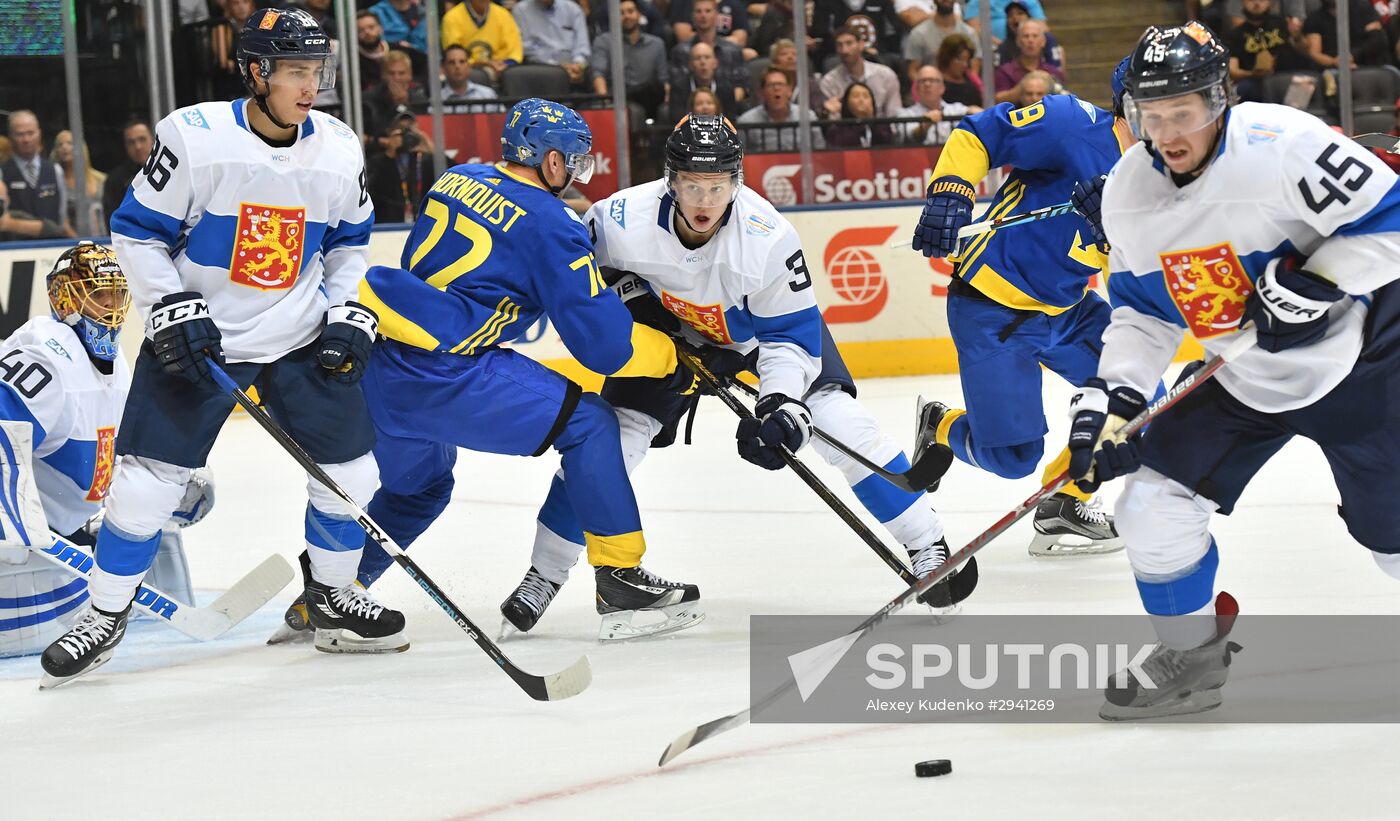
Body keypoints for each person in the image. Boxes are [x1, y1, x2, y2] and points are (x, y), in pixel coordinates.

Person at [40, 8, 401, 689]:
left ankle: (329, 592)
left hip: (298, 334)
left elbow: (351, 239)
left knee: (352, 476)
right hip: (201, 338)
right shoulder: (196, 137)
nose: (309, 86)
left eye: (316, 71)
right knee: (145, 488)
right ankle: (105, 614)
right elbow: (136, 230)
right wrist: (170, 305)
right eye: (295, 72)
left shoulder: (338, 145)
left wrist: (348, 307)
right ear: (257, 71)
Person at [502, 116, 967, 638]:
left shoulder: (767, 238)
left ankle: (927, 544)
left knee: (840, 426)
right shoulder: (619, 218)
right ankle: (542, 575)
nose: (704, 201)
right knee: (609, 442)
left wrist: (781, 406)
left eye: (717, 187)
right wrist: (640, 310)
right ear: (670, 181)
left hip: (755, 340)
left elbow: (789, 339)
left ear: (737, 182)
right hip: (669, 343)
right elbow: (583, 273)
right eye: (692, 186)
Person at [273, 99, 709, 645]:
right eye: (572, 160)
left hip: (379, 365)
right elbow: (603, 347)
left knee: (419, 490)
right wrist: (673, 359)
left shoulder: (457, 177)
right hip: (445, 375)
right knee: (591, 425)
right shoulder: (553, 225)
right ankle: (619, 575)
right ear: (551, 162)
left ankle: (332, 592)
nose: (575, 172)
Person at [1067, 22, 1400, 720]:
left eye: (1182, 112)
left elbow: (1392, 217)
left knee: (1395, 548)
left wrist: (1321, 278)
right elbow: (1142, 315)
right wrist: (1116, 396)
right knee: (1149, 508)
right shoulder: (1127, 193)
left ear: (1219, 100)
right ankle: (1191, 659)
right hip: (1246, 375)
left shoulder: (1283, 146)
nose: (1167, 132)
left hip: (1368, 360)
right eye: (1150, 117)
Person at [908, 57, 1140, 558]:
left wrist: (1121, 233)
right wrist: (951, 192)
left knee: (1141, 405)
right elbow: (978, 134)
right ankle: (942, 426)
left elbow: (1146, 283)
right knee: (1013, 459)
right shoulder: (1070, 123)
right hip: (991, 312)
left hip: (1071, 311)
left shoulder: (1172, 175)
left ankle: (1066, 500)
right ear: (1132, 103)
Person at [0, 243, 209, 660]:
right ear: (66, 298)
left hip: (63, 527)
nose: (111, 305)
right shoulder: (43, 351)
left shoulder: (115, 361)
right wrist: (11, 519)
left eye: (117, 292)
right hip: (19, 545)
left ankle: (103, 575)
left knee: (154, 516)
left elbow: (108, 452)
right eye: (99, 293)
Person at [589, 0, 669, 121]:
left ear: (639, 14)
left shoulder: (656, 44)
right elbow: (598, 74)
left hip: (649, 97)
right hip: (619, 97)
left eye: (630, 11)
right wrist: (605, 102)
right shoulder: (603, 41)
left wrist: (667, 100)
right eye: (621, 12)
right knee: (634, 110)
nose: (627, 16)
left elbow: (664, 80)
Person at [2, 110, 72, 238]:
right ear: (11, 137)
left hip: (51, 247)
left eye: (31, 133)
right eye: (20, 134)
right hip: (13, 251)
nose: (26, 139)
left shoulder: (55, 170)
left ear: (39, 134)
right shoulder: (2, 172)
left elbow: (62, 219)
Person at [1226, 0, 1311, 103]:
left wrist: (1297, 36)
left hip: (1289, 78)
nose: (1256, 3)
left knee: (1308, 80)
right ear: (1243, 2)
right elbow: (1233, 71)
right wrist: (1253, 74)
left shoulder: (1283, 24)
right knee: (1244, 89)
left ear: (1270, 2)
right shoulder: (1235, 35)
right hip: (1256, 83)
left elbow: (1305, 52)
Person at [364, 113, 438, 223]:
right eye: (400, 131)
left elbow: (446, 172)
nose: (405, 138)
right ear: (390, 134)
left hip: (423, 220)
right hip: (388, 222)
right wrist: (390, 154)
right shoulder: (377, 161)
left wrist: (427, 144)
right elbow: (370, 189)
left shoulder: (422, 158)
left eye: (409, 131)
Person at [819, 26, 902, 118]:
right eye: (839, 45)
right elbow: (833, 121)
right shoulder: (829, 81)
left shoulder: (886, 75)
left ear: (861, 45)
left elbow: (894, 114)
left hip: (880, 128)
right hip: (846, 129)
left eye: (849, 43)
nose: (844, 50)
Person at [737, 68, 827, 151]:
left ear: (790, 90)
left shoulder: (807, 116)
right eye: (771, 85)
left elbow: (820, 151)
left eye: (781, 84)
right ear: (762, 92)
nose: (776, 88)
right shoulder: (746, 121)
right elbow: (738, 158)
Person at [441, 0, 524, 85]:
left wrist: (504, 64)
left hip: (501, 68)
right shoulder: (452, 18)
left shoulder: (504, 15)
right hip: (470, 69)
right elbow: (454, 56)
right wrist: (484, 63)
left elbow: (515, 51)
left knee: (515, 75)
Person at [513, 0, 591, 87]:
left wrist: (577, 65)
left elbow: (582, 47)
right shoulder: (521, 10)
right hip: (541, 69)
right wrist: (560, 68)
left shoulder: (572, 9)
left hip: (574, 69)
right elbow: (528, 49)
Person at [900, 65, 979, 145]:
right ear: (916, 89)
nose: (927, 84)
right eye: (922, 81)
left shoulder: (954, 109)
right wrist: (924, 125)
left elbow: (973, 111)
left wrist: (977, 112)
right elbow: (909, 137)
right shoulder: (905, 114)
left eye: (932, 80)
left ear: (942, 87)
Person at [904, 0, 980, 82]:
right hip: (930, 88)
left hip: (962, 89)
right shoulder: (919, 34)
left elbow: (974, 70)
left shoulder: (969, 33)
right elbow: (913, 71)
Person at [993, 19, 1065, 103]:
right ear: (1018, 41)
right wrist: (1024, 86)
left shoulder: (1054, 72)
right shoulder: (1005, 72)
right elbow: (997, 100)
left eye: (1035, 36)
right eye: (1026, 36)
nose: (1030, 41)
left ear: (1043, 42)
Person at [101, 120, 153, 233]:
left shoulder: (171, 171)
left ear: (153, 140)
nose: (138, 146)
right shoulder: (115, 180)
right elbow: (111, 222)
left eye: (142, 139)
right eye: (131, 142)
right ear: (126, 146)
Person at [51, 130, 106, 235]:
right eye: (60, 145)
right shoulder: (57, 184)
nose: (64, 147)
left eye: (69, 143)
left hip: (107, 242)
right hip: (74, 244)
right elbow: (62, 223)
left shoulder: (101, 179)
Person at [992, 1, 1062, 69]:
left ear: (1029, 17)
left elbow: (1056, 71)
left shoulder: (1048, 40)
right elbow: (1000, 76)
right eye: (1010, 15)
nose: (1015, 17)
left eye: (1020, 13)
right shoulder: (1003, 48)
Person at [826, 81, 895, 147]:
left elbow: (885, 145)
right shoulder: (836, 130)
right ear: (846, 102)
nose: (861, 100)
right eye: (856, 96)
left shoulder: (882, 125)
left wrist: (871, 119)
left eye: (866, 96)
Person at [936, 33, 983, 107]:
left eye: (967, 60)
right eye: (960, 59)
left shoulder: (973, 83)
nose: (965, 64)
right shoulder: (934, 81)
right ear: (947, 57)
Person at [357, 9, 391, 90]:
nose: (367, 32)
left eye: (371, 27)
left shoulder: (399, 49)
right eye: (361, 30)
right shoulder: (354, 61)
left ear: (380, 28)